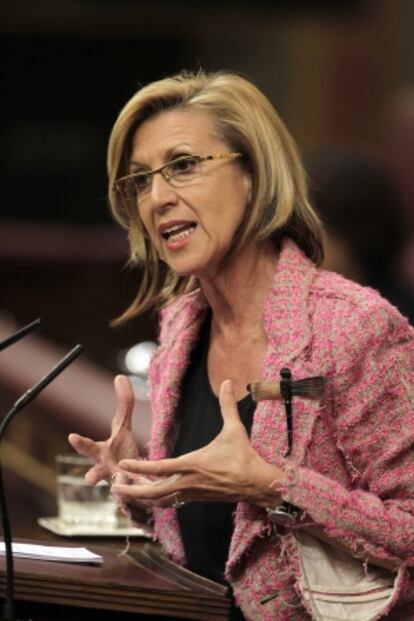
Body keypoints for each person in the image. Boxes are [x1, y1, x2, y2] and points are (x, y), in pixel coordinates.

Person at [69, 71, 414, 621]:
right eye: (139, 181)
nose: (157, 198)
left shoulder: (356, 326)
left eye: (182, 165)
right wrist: (142, 487)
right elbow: (210, 540)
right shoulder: (181, 324)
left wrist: (275, 486)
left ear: (253, 174)